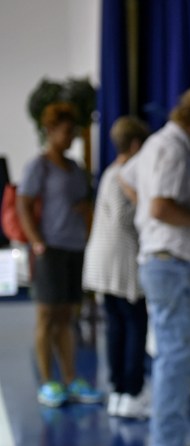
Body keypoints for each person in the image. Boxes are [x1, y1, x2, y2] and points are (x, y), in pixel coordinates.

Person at [120, 87, 190, 446]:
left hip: (164, 262)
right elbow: (161, 206)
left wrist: (148, 220)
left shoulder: (154, 143)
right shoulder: (174, 148)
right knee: (177, 362)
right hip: (175, 264)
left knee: (172, 360)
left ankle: (169, 443)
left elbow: (124, 178)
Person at [17, 101, 103, 408]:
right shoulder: (39, 167)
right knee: (46, 316)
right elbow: (23, 204)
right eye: (66, 132)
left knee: (67, 317)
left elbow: (84, 201)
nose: (70, 138)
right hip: (49, 249)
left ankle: (70, 378)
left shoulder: (76, 168)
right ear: (50, 131)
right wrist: (37, 241)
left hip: (74, 247)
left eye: (74, 133)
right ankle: (47, 382)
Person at [82, 116, 151, 419]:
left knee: (116, 327)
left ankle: (119, 391)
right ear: (136, 144)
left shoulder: (111, 171)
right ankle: (131, 392)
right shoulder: (127, 174)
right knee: (134, 325)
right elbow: (126, 218)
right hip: (122, 262)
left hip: (104, 262)